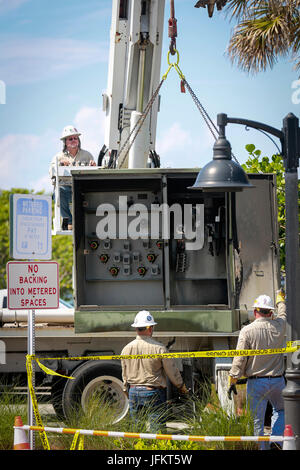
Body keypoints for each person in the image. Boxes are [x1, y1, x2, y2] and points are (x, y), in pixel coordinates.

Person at [228, 291, 286, 450]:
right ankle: (277, 442)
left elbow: (240, 358)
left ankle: (262, 448)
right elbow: (283, 314)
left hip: (256, 382)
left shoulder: (247, 331)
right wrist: (281, 300)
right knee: (282, 410)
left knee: (257, 421)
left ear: (255, 312)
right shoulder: (280, 326)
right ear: (270, 312)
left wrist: (233, 379)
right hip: (277, 380)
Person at [121, 310, 189, 432]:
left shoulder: (126, 349)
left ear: (136, 328)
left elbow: (124, 375)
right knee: (156, 430)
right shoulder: (159, 348)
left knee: (137, 430)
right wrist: (181, 387)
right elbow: (172, 371)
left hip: (133, 392)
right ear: (150, 328)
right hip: (152, 393)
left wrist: (127, 391)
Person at [49, 125, 95, 230]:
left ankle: (86, 221)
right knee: (59, 191)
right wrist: (60, 164)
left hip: (81, 187)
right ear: (65, 142)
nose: (74, 140)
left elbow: (93, 173)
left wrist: (92, 165)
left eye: (75, 138)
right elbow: (51, 172)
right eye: (70, 139)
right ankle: (69, 221)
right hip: (65, 188)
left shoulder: (87, 155)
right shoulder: (58, 157)